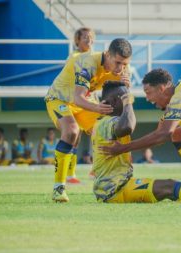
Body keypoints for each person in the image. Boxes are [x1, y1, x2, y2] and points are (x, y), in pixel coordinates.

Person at [91, 82, 181, 204]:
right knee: (169, 187)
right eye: (122, 99)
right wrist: (128, 101)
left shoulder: (102, 123)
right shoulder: (107, 123)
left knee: (169, 188)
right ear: (115, 102)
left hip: (118, 186)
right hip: (115, 190)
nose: (127, 102)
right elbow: (128, 125)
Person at [45, 38, 132, 202]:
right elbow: (78, 98)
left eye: (125, 64)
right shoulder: (88, 62)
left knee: (109, 129)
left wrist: (125, 86)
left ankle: (107, 177)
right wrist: (97, 108)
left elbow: (117, 100)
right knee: (72, 131)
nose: (121, 68)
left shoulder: (122, 70)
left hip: (85, 102)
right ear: (107, 54)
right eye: (118, 63)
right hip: (60, 99)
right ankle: (59, 188)